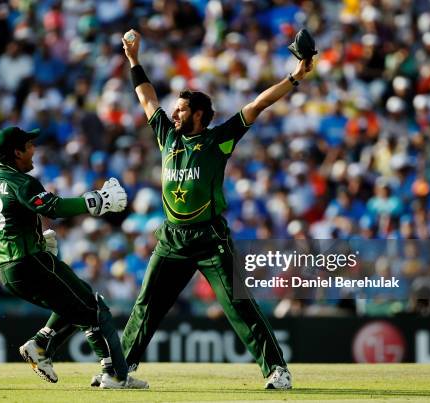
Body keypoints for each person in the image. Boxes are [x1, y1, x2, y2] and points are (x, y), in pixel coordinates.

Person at [97, 30, 313, 390]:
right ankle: (119, 371)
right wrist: (134, 59)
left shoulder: (219, 139)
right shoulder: (168, 136)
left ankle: (278, 370)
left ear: (199, 114)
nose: (174, 113)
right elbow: (147, 98)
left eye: (181, 109)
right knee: (146, 305)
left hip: (210, 238)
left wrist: (295, 77)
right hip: (172, 238)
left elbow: (257, 105)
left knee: (239, 307)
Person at [0, 126, 147, 389]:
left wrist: (36, 238)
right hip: (29, 262)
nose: (33, 150)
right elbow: (53, 207)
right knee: (95, 307)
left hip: (8, 269)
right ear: (16, 152)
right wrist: (96, 201)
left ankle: (43, 344)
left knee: (78, 305)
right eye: (28, 145)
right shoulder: (22, 183)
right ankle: (116, 375)